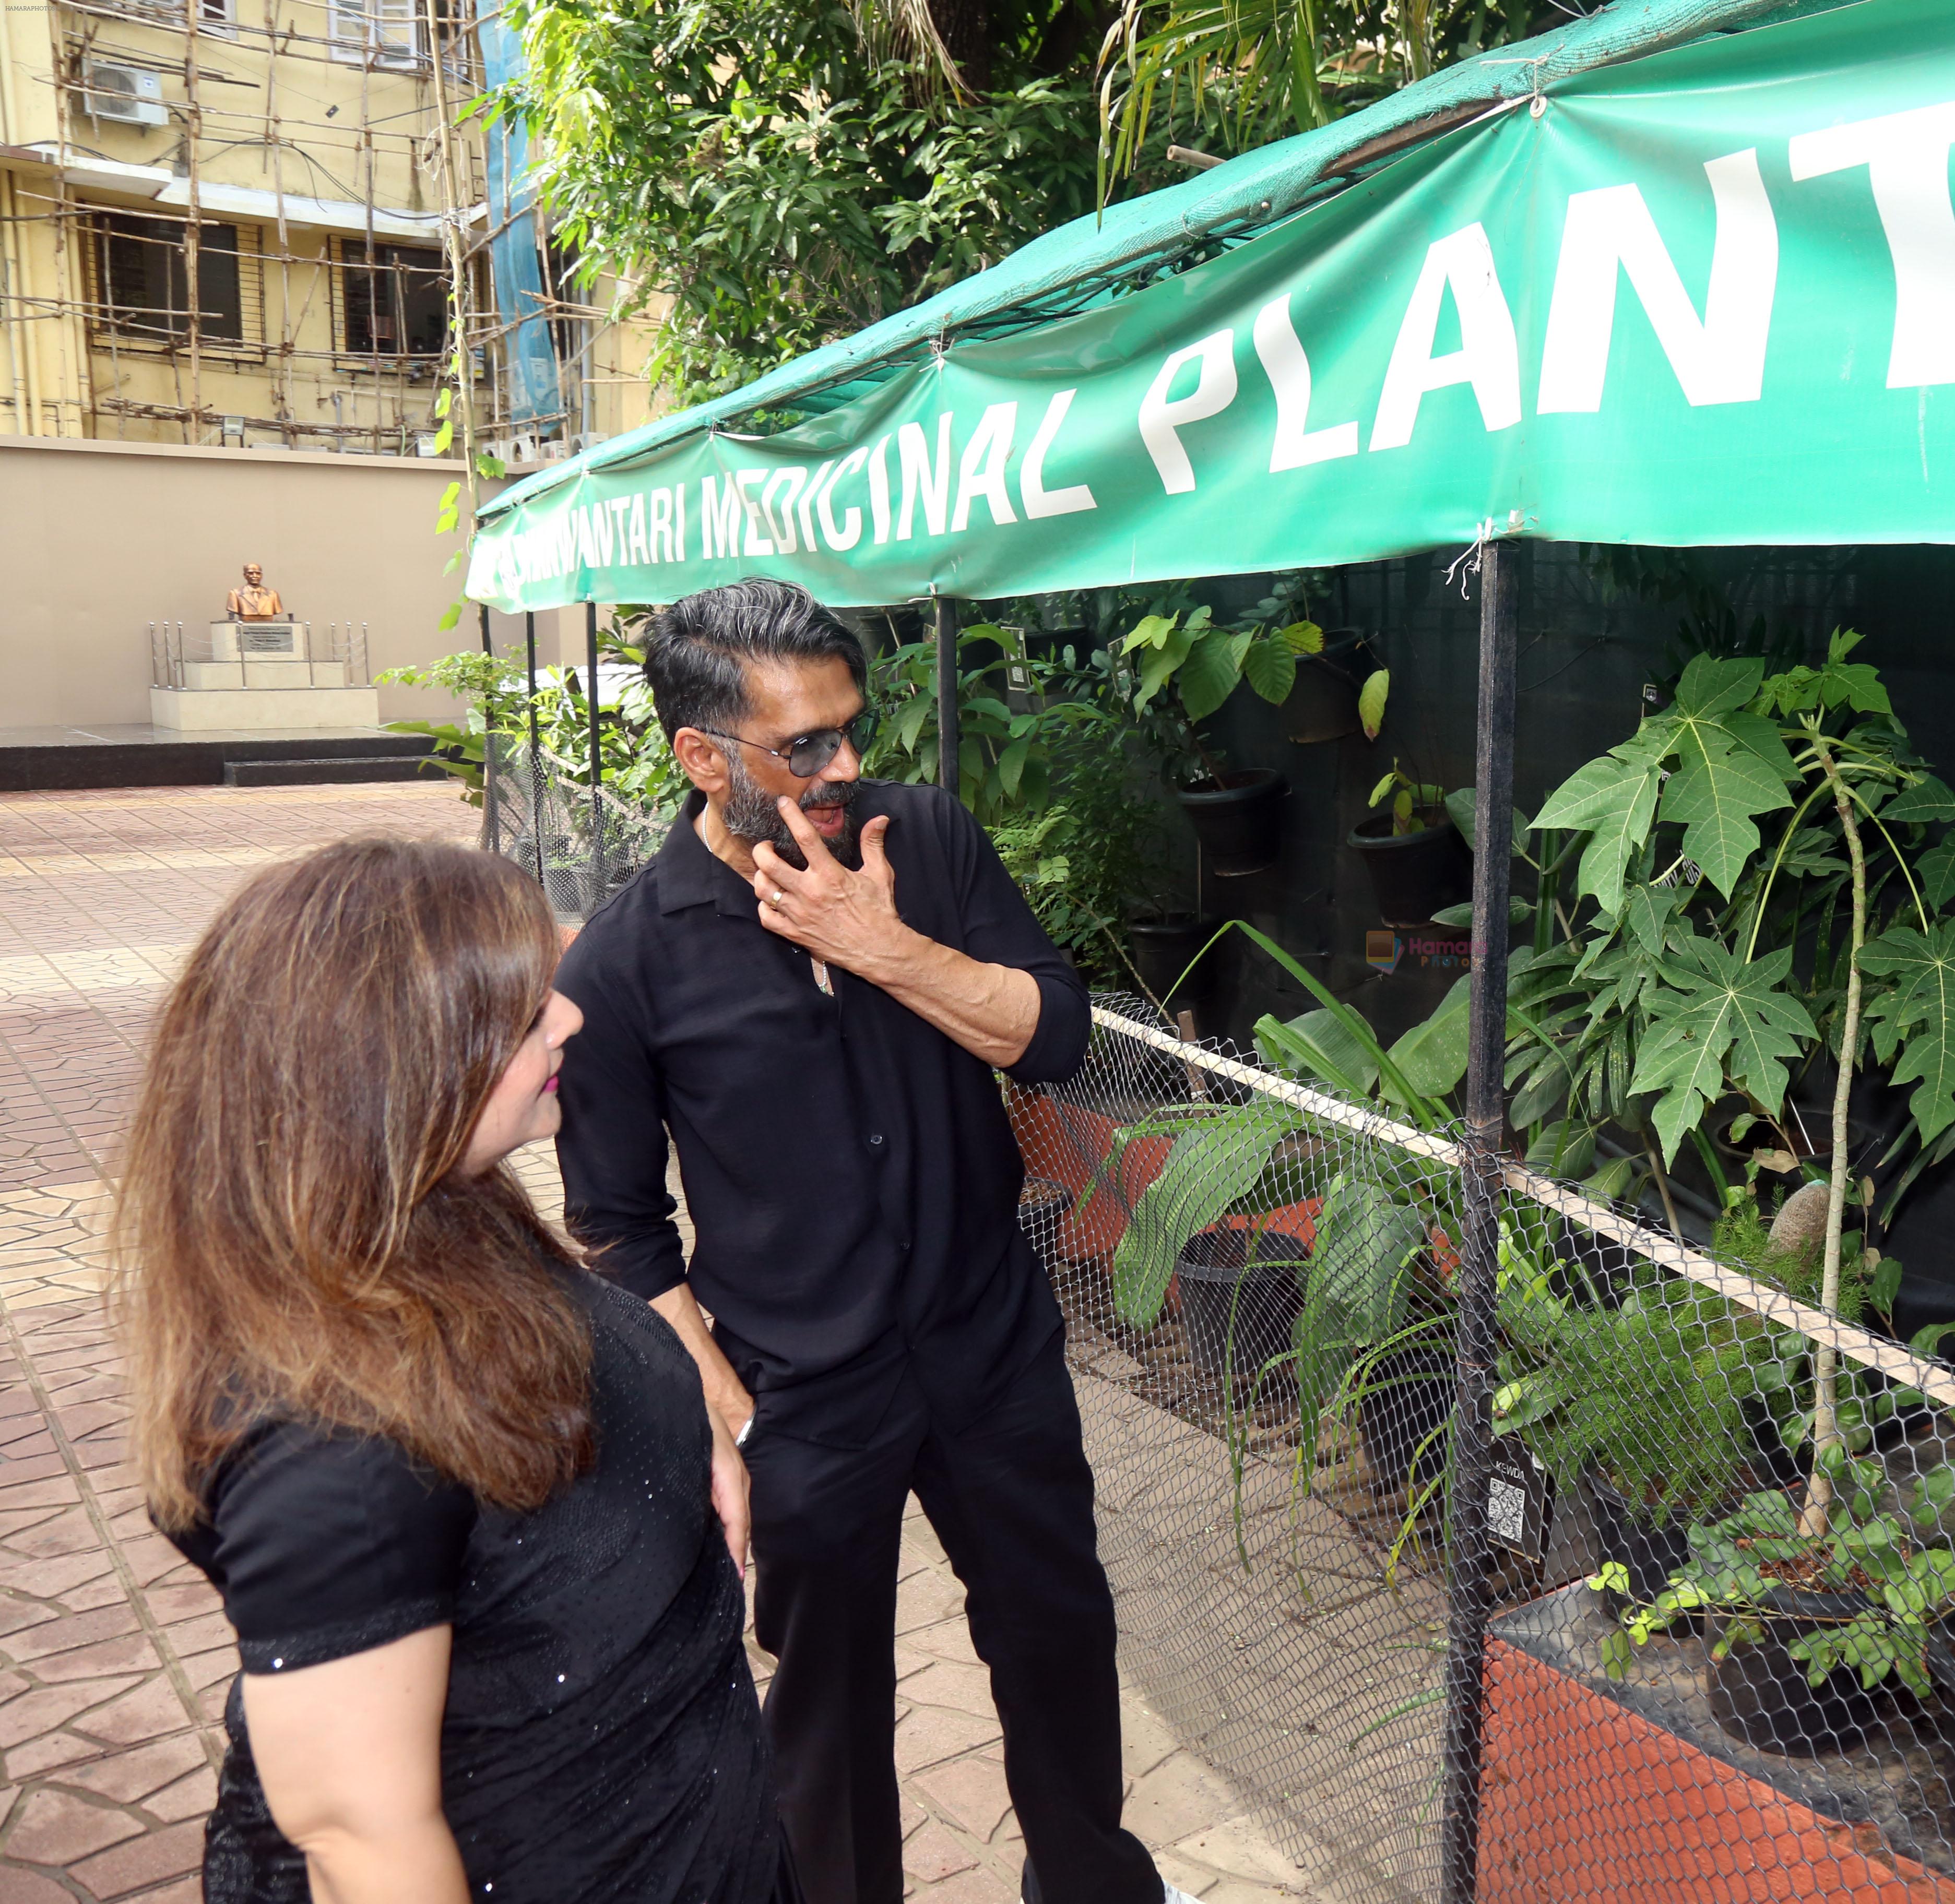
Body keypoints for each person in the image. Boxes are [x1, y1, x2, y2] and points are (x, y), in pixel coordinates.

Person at [552, 579, 1179, 1904]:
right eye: (805, 746)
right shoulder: (626, 961)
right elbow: (616, 1224)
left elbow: (1053, 1038)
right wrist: (722, 1401)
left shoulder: (927, 841)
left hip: (990, 1346)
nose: (845, 767)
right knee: (826, 1711)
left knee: (1057, 1633)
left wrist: (883, 946)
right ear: (702, 757)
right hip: (802, 1396)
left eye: (850, 729)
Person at [115, 838, 786, 1904]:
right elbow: (361, 1835)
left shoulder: (435, 1216)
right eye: (525, 1016)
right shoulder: (330, 1441)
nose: (567, 1018)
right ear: (398, 1074)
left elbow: (571, 1336)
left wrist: (676, 1417)